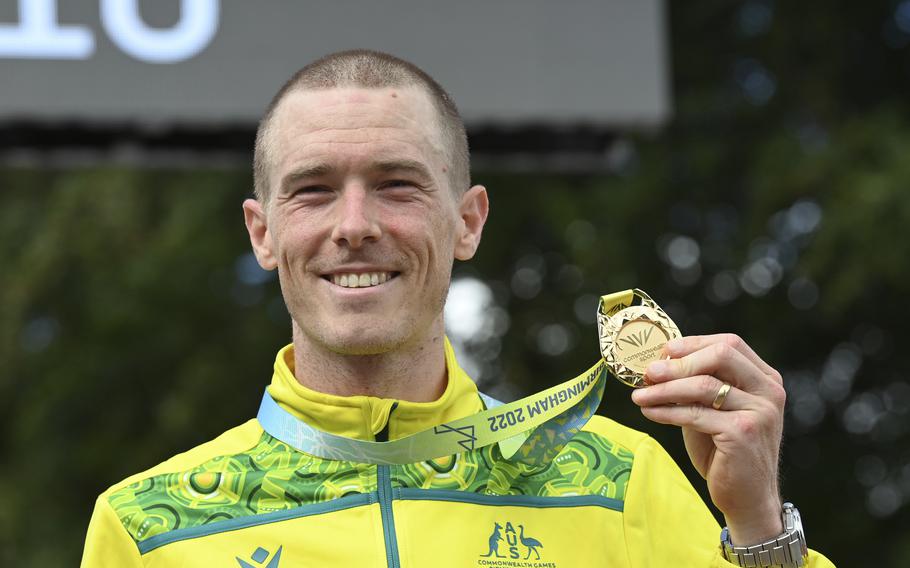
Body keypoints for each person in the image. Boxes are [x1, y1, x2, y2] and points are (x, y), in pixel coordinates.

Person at [81, 49, 834, 567]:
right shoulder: (147, 529)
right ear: (263, 232)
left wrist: (760, 528)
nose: (354, 225)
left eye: (397, 184)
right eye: (313, 189)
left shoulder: (618, 482)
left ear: (468, 221)